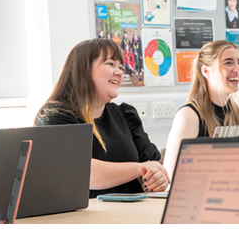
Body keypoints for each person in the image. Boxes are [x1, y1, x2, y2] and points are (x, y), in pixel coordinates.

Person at [35, 38, 169, 196]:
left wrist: (157, 178)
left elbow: (154, 165)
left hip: (133, 209)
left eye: (120, 67)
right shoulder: (54, 116)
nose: (119, 72)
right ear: (84, 70)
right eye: (110, 64)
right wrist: (140, 169)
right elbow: (84, 173)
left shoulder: (126, 114)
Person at [162, 40, 239, 180]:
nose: (238, 69)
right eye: (228, 63)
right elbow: (169, 179)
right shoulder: (188, 117)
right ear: (205, 71)